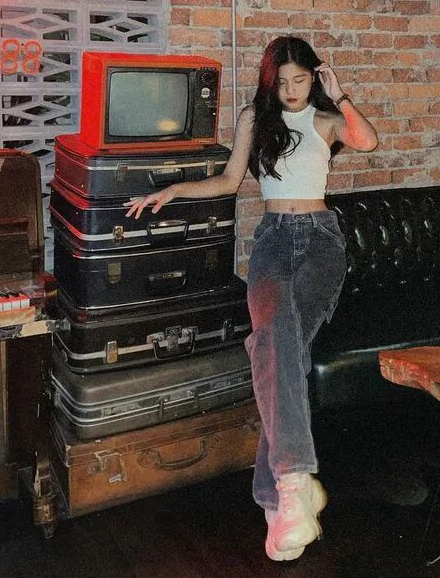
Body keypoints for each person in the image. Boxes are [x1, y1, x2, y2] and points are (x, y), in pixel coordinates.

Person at [125, 36, 378, 561]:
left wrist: (339, 94)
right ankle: (295, 488)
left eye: (300, 80)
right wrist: (172, 191)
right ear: (270, 82)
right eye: (282, 82)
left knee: (280, 345)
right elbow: (228, 181)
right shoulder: (254, 120)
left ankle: (280, 496)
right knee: (279, 341)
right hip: (272, 243)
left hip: (321, 243)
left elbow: (367, 141)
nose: (291, 90)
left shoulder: (326, 120)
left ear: (313, 78)